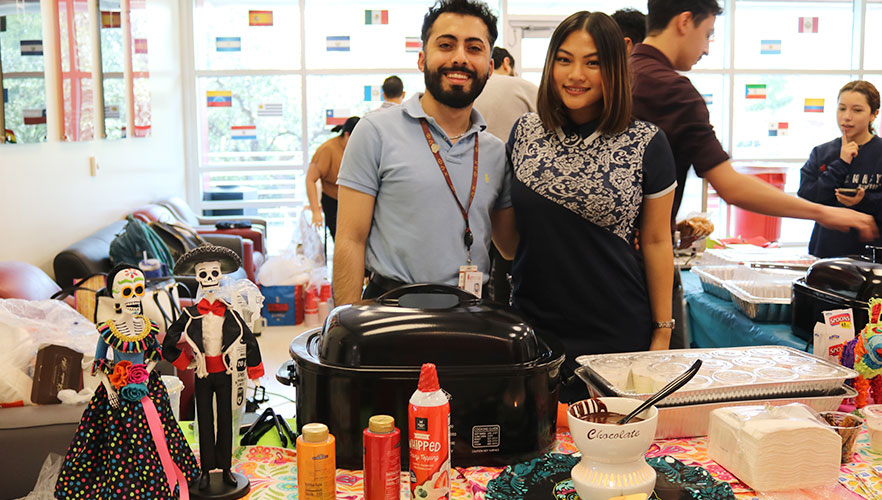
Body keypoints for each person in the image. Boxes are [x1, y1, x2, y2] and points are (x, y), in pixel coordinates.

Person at [508, 11, 676, 402]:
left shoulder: (647, 142)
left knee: (614, 453)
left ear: (614, 69)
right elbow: (508, 237)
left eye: (593, 62)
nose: (575, 75)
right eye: (564, 60)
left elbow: (655, 240)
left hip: (615, 333)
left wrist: (662, 334)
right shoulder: (524, 133)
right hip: (534, 331)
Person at [631, 0, 878, 242]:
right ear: (685, 22)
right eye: (707, 34)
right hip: (638, 259)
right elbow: (731, 187)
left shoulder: (619, 74)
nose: (706, 48)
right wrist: (823, 213)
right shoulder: (675, 92)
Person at [333, 0, 517, 305]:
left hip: (473, 313)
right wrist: (344, 326)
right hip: (391, 309)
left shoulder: (497, 152)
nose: (460, 58)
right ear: (422, 59)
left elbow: (510, 247)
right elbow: (350, 240)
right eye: (446, 45)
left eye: (474, 48)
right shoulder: (375, 132)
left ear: (490, 67)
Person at [56, 265, 199, 499]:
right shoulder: (108, 330)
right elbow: (100, 363)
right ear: (114, 295)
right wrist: (110, 388)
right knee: (118, 441)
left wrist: (146, 372)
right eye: (126, 291)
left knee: (160, 431)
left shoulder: (147, 327)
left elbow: (154, 353)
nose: (133, 297)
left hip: (148, 387)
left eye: (138, 289)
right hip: (117, 389)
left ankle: (160, 477)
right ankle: (127, 485)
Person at [163, 245, 264, 490]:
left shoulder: (228, 311)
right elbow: (168, 342)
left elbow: (249, 339)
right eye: (204, 274)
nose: (209, 279)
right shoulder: (190, 314)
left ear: (221, 276)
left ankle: (226, 467)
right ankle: (207, 470)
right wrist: (185, 362)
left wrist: (254, 371)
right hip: (202, 374)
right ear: (198, 277)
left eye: (214, 274)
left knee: (227, 421)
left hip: (226, 374)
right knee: (205, 422)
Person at [473, 46, 539, 304]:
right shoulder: (523, 87)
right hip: (515, 186)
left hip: (473, 183)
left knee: (477, 251)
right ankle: (503, 310)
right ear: (507, 63)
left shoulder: (474, 89)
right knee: (507, 256)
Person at [798, 81, 882, 258]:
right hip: (825, 255)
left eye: (857, 110)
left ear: (874, 114)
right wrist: (842, 163)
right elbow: (807, 197)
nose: (847, 117)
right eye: (842, 109)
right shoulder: (822, 152)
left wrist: (864, 200)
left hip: (873, 257)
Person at [306, 116, 359, 240]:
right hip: (333, 201)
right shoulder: (327, 149)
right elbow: (310, 179)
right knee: (342, 240)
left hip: (355, 200)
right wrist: (315, 211)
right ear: (347, 135)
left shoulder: (361, 148)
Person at [473, 47, 539, 141]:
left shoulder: (472, 88)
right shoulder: (523, 86)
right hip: (516, 153)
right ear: (506, 62)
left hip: (475, 153)